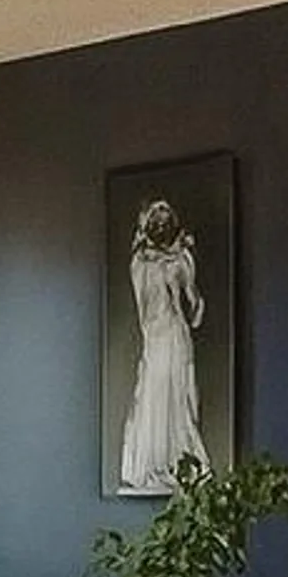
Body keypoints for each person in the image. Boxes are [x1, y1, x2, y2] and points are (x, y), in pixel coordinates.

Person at [118, 198, 208, 494]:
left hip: (173, 335)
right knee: (153, 395)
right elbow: (145, 305)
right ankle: (152, 465)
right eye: (156, 222)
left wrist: (182, 268)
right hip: (156, 338)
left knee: (178, 396)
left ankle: (180, 463)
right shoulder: (143, 263)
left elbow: (195, 309)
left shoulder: (178, 261)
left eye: (165, 221)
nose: (161, 227)